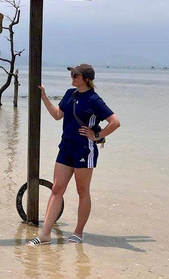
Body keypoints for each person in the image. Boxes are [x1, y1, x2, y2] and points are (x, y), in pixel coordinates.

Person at [27, 63, 120, 246]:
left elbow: (115, 122)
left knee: (82, 191)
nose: (72, 77)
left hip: (84, 149)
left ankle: (78, 232)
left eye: (76, 75)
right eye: (72, 74)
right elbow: (57, 115)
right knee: (56, 189)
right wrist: (44, 97)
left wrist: (97, 136)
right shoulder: (70, 94)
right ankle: (45, 234)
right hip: (66, 147)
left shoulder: (94, 100)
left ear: (86, 79)